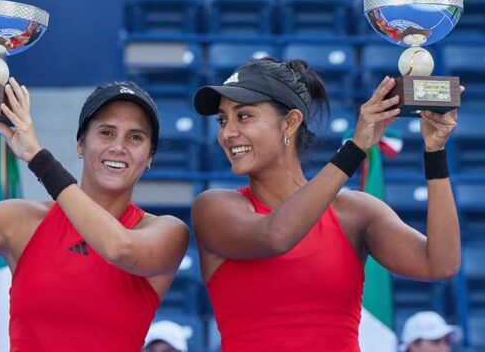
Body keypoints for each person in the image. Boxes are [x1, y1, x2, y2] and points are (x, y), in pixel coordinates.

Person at [0, 79, 189, 351]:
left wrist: (38, 158)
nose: (119, 147)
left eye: (135, 137)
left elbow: (118, 247)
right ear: (81, 144)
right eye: (106, 132)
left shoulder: (166, 232)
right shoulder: (22, 222)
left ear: (150, 157)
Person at [191, 57, 461, 351]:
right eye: (222, 120)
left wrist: (435, 151)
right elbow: (277, 235)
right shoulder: (214, 207)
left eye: (243, 116)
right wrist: (355, 147)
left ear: (290, 122)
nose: (227, 133)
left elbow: (440, 264)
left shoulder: (356, 212)